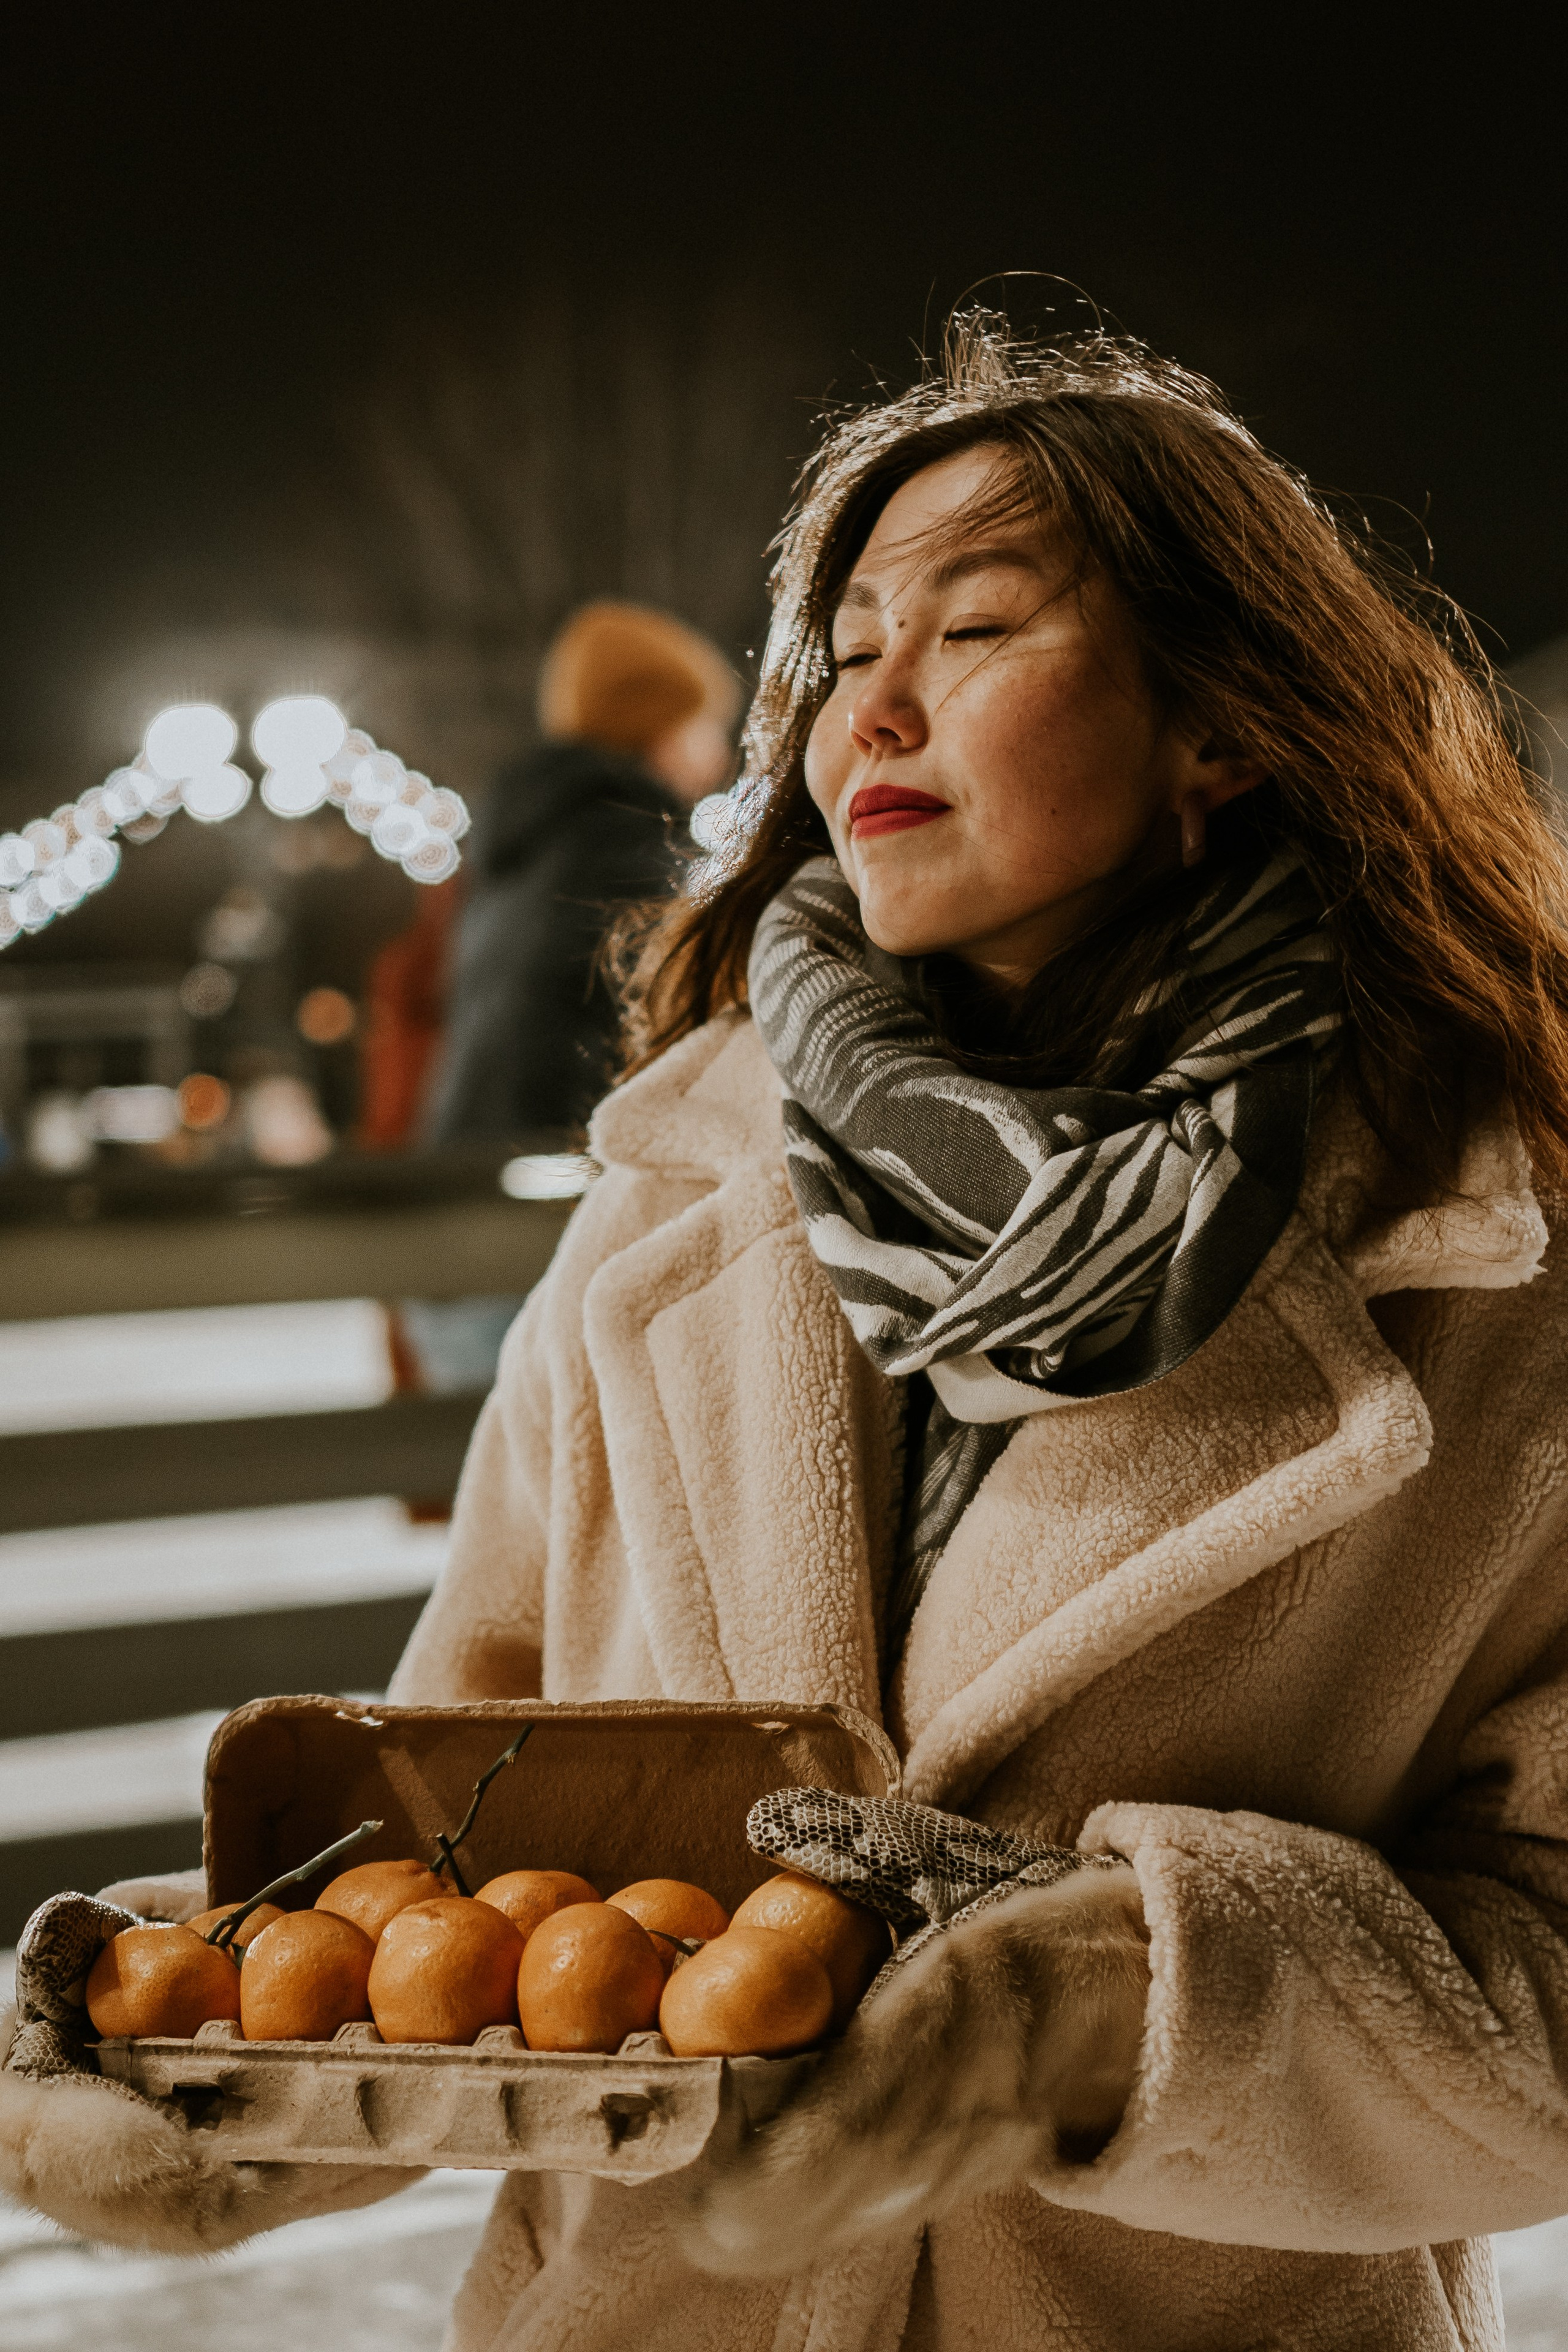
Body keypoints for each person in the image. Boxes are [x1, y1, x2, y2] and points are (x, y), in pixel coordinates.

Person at [7, 314, 1568, 2351]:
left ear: (1225, 724)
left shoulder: (1491, 1266)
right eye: (842, 650)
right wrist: (186, 2022)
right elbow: (487, 1869)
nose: (871, 711)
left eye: (977, 628)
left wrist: (1111, 2006)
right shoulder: (676, 1205)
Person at [423, 597, 740, 1142]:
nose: (718, 753)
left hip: (473, 1153)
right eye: (703, 724)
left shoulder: (534, 841)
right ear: (654, 725)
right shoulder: (621, 849)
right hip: (555, 1167)